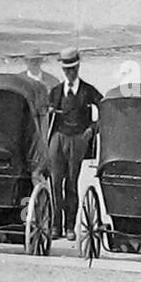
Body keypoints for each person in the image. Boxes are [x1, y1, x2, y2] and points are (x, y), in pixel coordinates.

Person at [47, 48, 102, 242]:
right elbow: (46, 114)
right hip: (58, 138)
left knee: (71, 183)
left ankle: (70, 226)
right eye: (66, 70)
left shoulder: (88, 91)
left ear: (78, 67)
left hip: (78, 139)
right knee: (54, 182)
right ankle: (55, 225)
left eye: (72, 69)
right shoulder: (55, 92)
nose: (70, 74)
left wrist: (92, 129)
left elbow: (105, 108)